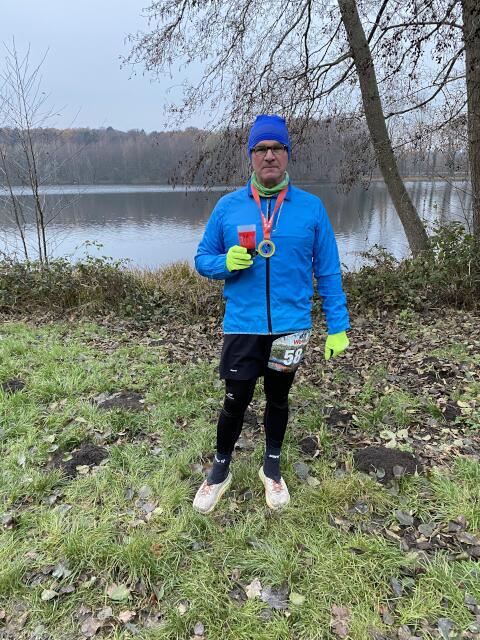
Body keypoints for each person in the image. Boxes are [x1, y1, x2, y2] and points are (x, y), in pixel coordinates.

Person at [192, 114, 350, 514]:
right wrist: (224, 263)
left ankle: (272, 467)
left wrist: (338, 326)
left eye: (277, 148)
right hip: (243, 326)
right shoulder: (228, 207)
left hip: (290, 328)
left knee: (278, 399)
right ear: (250, 155)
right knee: (235, 399)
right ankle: (220, 470)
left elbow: (328, 270)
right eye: (261, 149)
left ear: (287, 154)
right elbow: (202, 259)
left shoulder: (311, 209)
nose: (269, 156)